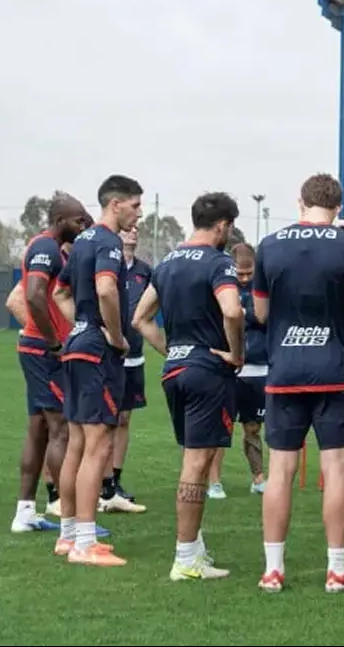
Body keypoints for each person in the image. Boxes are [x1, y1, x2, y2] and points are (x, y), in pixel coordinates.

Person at [254, 174, 344, 593]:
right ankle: (336, 569)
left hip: (284, 370)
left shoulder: (270, 245)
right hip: (335, 371)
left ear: (300, 201)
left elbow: (261, 312)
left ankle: (273, 570)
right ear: (340, 207)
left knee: (279, 471)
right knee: (337, 471)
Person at [131, 192, 244, 580]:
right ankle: (185, 558)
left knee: (193, 460)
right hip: (206, 370)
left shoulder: (166, 264)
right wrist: (235, 353)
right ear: (223, 225)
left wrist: (173, 350)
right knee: (196, 464)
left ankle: (194, 550)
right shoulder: (218, 262)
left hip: (177, 369)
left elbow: (140, 319)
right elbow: (232, 309)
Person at [52, 174, 143, 566]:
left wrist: (82, 325)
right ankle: (86, 544)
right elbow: (106, 290)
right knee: (98, 445)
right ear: (115, 204)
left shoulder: (83, 242)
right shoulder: (106, 241)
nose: (138, 215)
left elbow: (61, 292)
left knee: (76, 444)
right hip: (95, 355)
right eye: (135, 206)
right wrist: (116, 336)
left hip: (76, 348)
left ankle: (69, 535)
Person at [9, 193, 89, 534]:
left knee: (39, 429)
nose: (82, 227)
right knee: (62, 429)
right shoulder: (46, 248)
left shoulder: (50, 247)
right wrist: (54, 342)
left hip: (34, 349)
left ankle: (25, 512)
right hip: (43, 351)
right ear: (60, 221)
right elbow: (34, 295)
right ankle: (65, 512)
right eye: (78, 221)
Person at [101, 225, 150, 513]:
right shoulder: (107, 266)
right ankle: (102, 483)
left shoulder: (145, 270)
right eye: (128, 229)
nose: (133, 232)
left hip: (136, 358)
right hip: (110, 356)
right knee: (107, 419)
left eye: (135, 230)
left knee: (124, 420)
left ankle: (114, 482)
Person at [232, 243, 268, 494]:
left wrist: (243, 313)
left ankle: (264, 478)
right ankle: (214, 483)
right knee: (224, 427)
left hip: (264, 368)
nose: (244, 279)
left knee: (260, 427)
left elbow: (263, 318)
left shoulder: (265, 290)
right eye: (240, 274)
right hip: (233, 369)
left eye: (249, 273)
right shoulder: (223, 287)